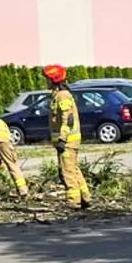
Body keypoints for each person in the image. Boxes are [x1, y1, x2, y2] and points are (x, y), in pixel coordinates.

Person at [43, 64, 91, 209]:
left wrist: (62, 139)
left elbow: (67, 119)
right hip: (70, 140)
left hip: (68, 140)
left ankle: (73, 201)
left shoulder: (62, 95)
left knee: (67, 172)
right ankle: (85, 197)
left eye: (47, 79)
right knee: (74, 169)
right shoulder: (58, 95)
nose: (46, 82)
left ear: (54, 80)